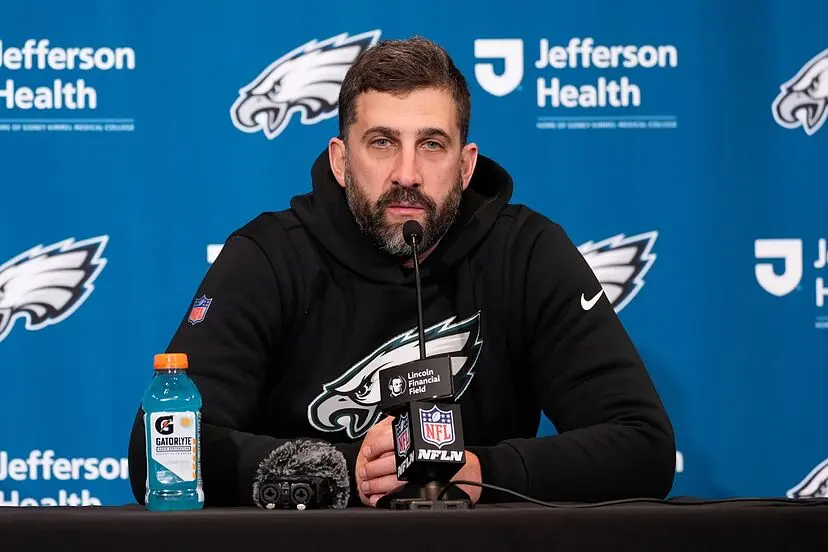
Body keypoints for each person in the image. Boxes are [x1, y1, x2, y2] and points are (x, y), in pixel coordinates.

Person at [128, 36, 675, 508]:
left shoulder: (527, 253)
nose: (407, 174)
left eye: (432, 145)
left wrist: (481, 472)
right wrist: (343, 470)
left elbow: (644, 445)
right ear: (341, 161)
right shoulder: (267, 257)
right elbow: (159, 451)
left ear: (466, 166)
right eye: (382, 142)